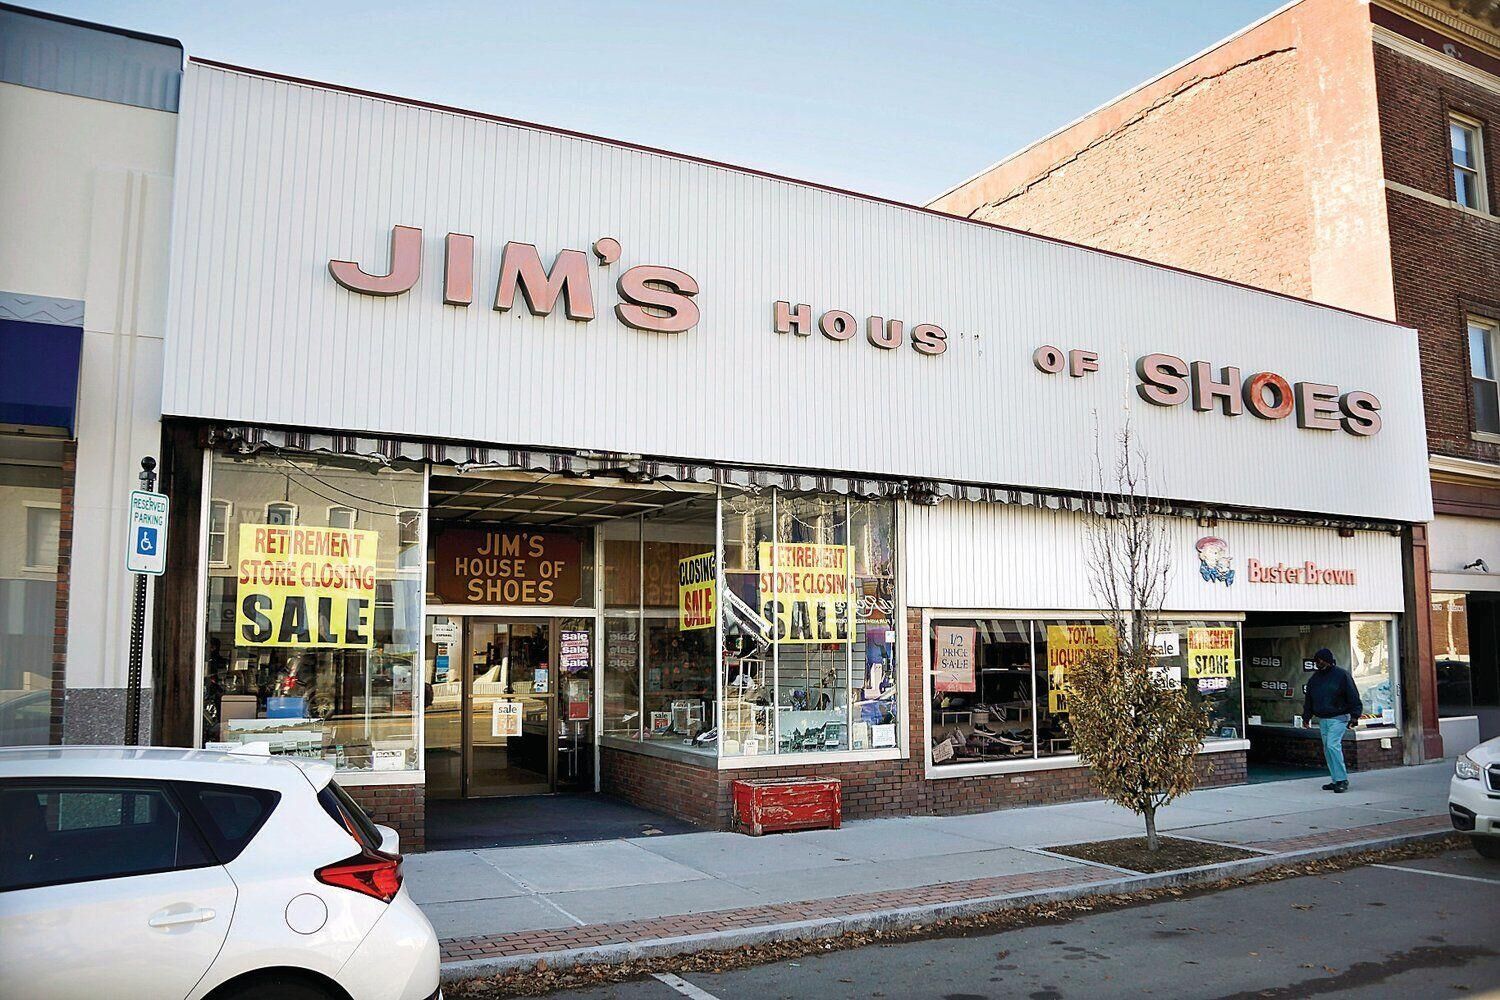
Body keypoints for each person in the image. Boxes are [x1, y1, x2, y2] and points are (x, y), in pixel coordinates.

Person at [1301, 647, 1362, 792]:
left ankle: (1342, 779)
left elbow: (1353, 696)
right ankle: (1335, 779)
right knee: (1328, 749)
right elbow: (1309, 699)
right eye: (1316, 661)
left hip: (1339, 717)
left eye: (1321, 660)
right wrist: (1306, 717)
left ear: (1328, 660)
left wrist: (1354, 716)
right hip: (1323, 719)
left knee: (1332, 746)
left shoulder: (1341, 676)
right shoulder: (1314, 679)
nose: (1318, 663)